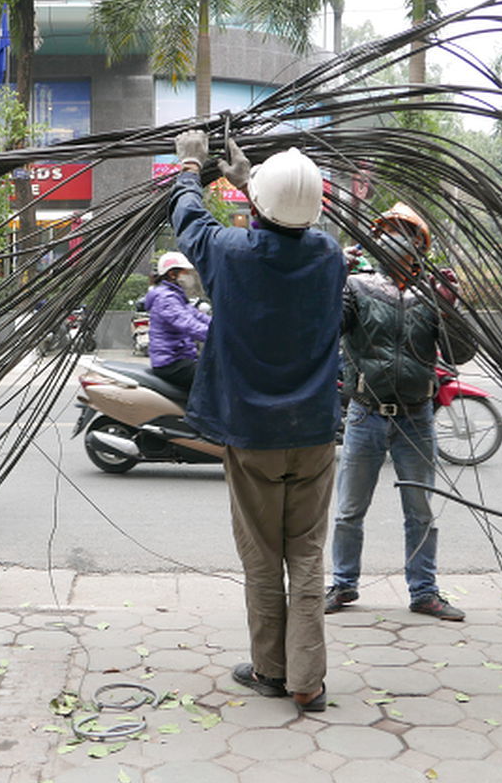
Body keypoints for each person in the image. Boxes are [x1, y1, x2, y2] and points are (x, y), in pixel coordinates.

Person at [170, 129, 345, 713]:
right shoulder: (329, 257)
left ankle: (271, 671)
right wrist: (250, 183)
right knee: (307, 554)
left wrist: (191, 166)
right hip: (315, 432)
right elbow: (293, 227)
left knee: (262, 557)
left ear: (258, 208)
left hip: (252, 437)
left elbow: (190, 222)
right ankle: (308, 680)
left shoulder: (230, 255)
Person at [326, 203, 478, 621]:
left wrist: (449, 305)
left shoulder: (431, 294)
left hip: (416, 417)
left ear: (419, 246)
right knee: (349, 510)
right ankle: (343, 583)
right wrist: (333, 276)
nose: (394, 238)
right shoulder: (356, 287)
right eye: (388, 230)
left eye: (404, 232)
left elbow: (461, 352)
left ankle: (424, 591)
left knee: (421, 510)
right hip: (365, 413)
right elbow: (325, 329)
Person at [144, 251, 211, 389]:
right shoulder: (166, 299)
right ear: (172, 274)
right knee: (215, 378)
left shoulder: (176, 296)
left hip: (181, 357)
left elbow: (197, 316)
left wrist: (225, 326)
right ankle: (197, 411)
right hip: (171, 362)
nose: (190, 277)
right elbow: (188, 324)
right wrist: (218, 335)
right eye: (186, 272)